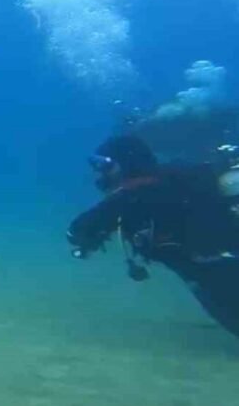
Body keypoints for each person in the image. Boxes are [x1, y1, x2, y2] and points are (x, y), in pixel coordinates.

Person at [67, 134, 239, 339]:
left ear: (127, 163)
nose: (100, 174)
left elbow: (79, 229)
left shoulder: (142, 195)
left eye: (105, 165)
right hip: (208, 269)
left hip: (216, 267)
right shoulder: (155, 188)